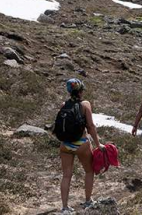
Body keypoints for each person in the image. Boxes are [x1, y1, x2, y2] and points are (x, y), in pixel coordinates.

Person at [54, 78, 105, 215]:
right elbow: (91, 126)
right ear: (81, 91)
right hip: (81, 144)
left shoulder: (64, 104)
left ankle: (65, 207)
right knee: (89, 171)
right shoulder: (85, 104)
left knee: (66, 176)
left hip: (65, 145)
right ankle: (88, 200)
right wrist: (98, 144)